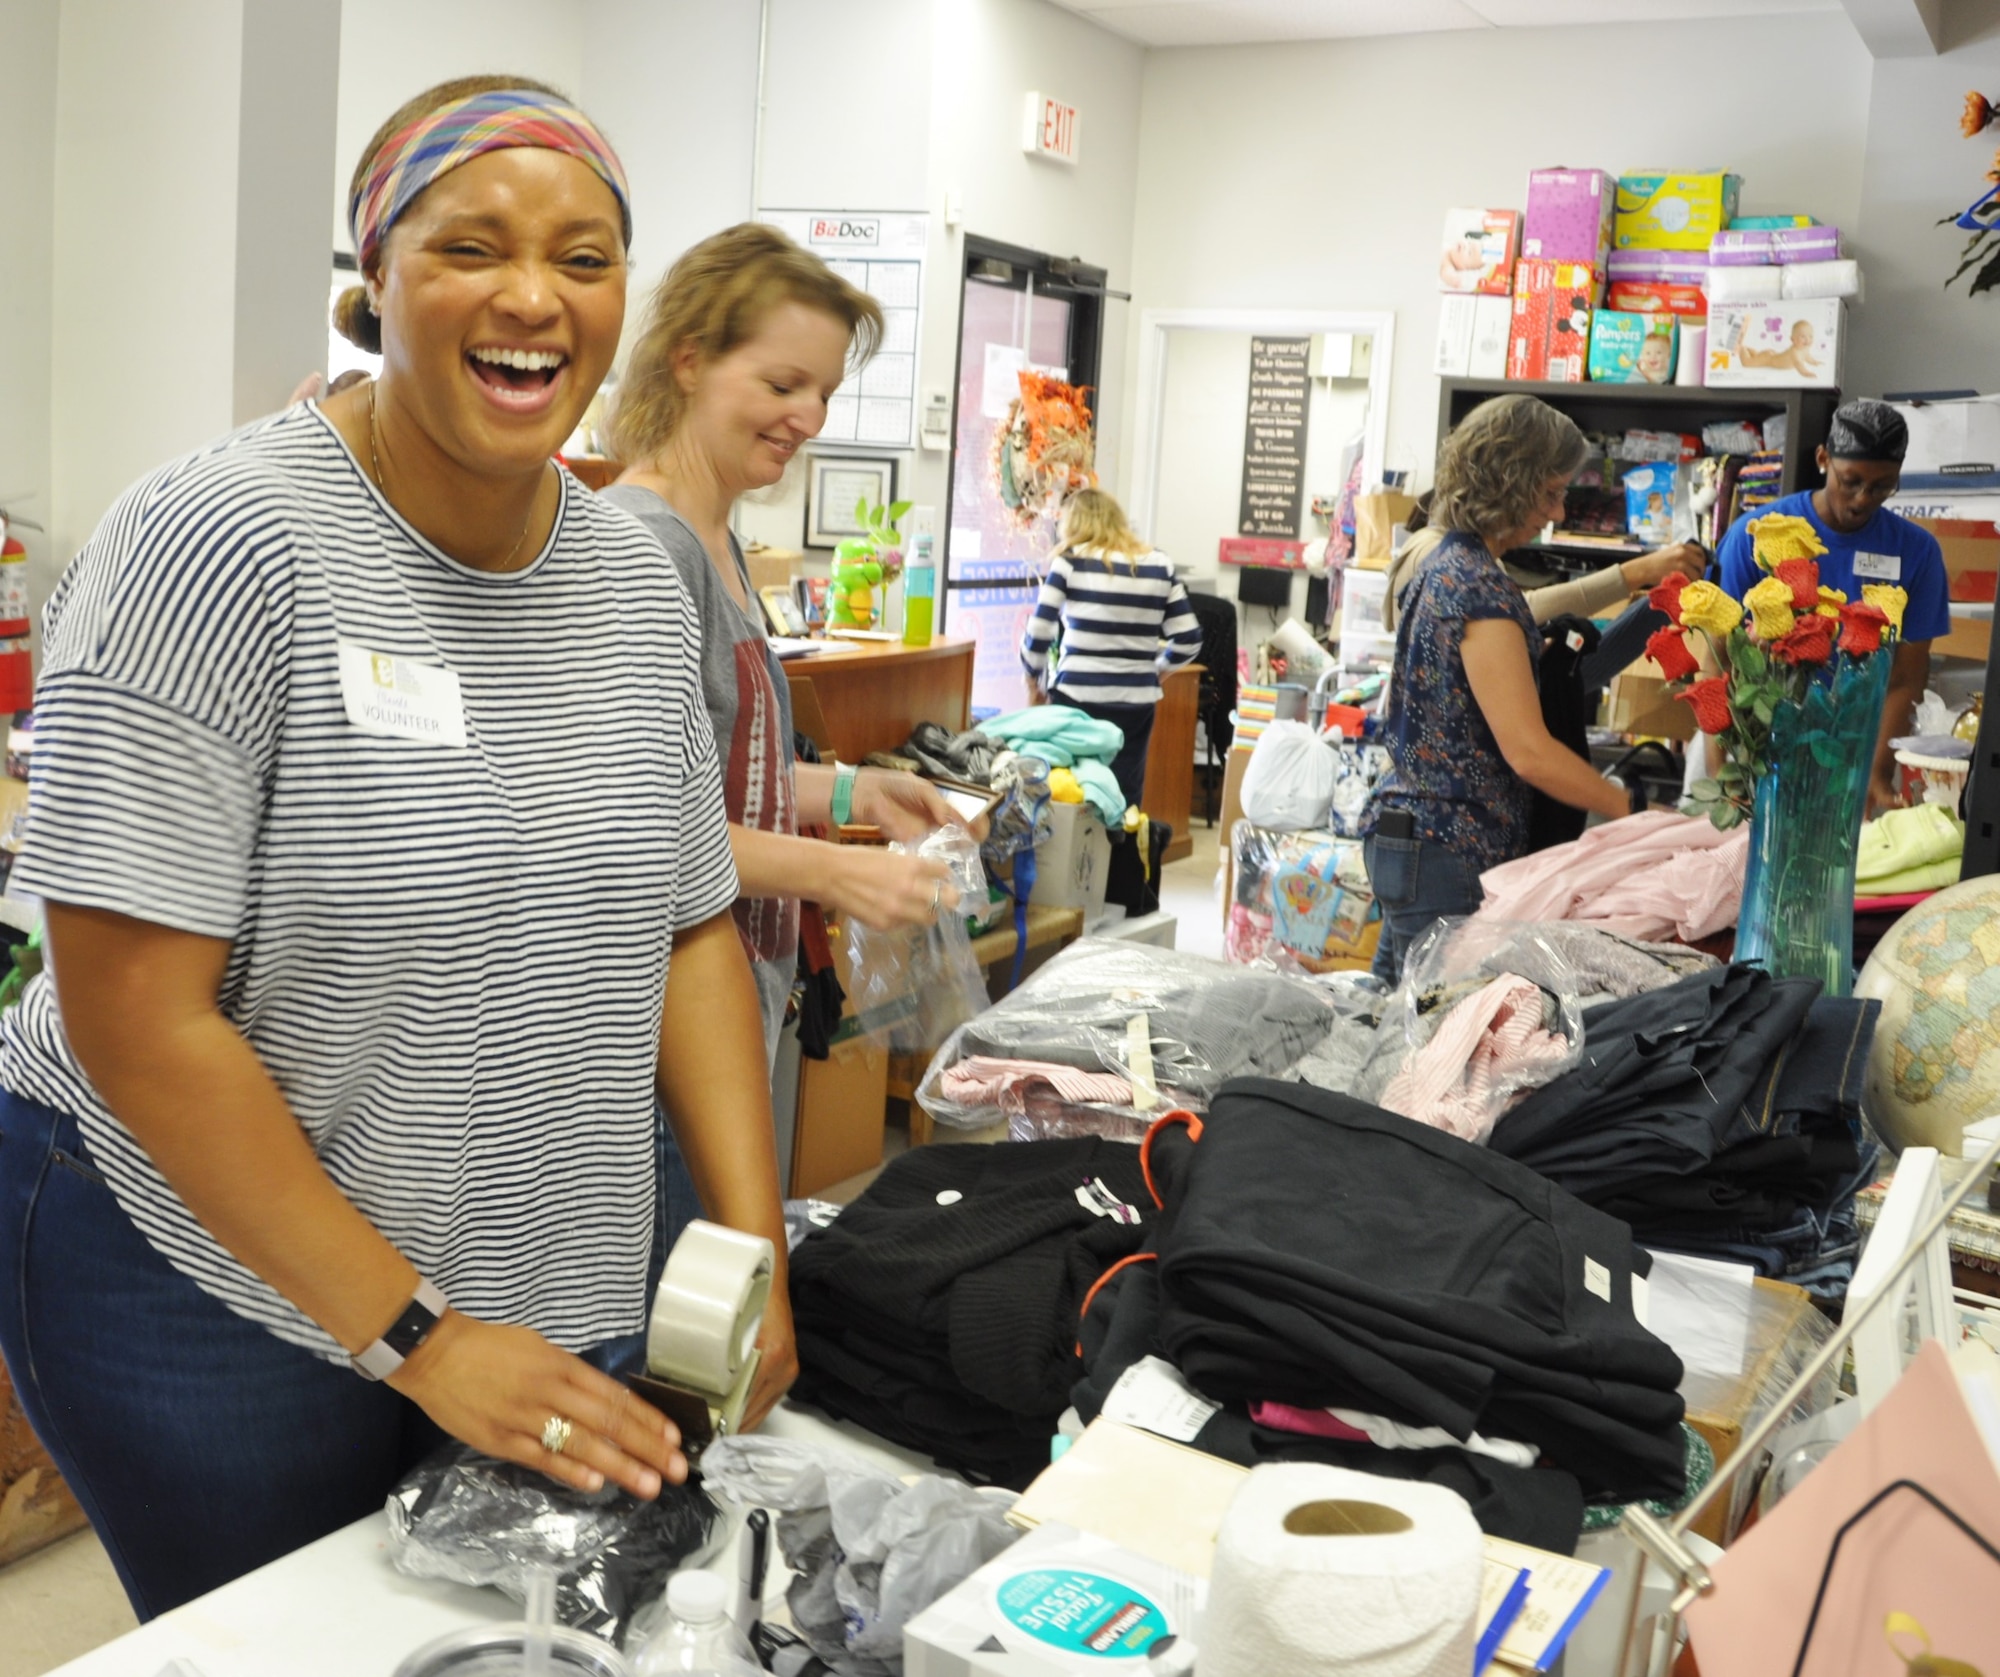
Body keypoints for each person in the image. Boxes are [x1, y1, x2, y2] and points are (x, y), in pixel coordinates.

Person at [0, 77, 792, 1619]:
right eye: (471, 247)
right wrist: (420, 1340)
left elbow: (690, 917)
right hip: (193, 1265)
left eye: (582, 258)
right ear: (376, 282)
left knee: (524, 1625)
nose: (530, 299)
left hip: (522, 1237)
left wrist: (750, 1238)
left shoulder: (633, 578)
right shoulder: (221, 542)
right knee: (292, 1640)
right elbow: (135, 1013)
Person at [601, 223, 970, 1072]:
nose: (809, 417)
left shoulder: (717, 535)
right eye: (782, 383)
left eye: (825, 392)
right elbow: (643, 830)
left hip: (733, 1007)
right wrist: (834, 875)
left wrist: (854, 793)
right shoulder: (644, 543)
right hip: (656, 1037)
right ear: (689, 360)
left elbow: (720, 777)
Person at [1362, 395, 1631, 987]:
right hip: (1447, 852)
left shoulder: (1441, 565)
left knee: (1388, 1021)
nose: (1556, 511)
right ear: (1512, 482)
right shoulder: (1481, 591)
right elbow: (1528, 751)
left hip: (1411, 838)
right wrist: (1630, 813)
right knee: (1439, 1038)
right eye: (1550, 492)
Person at [1716, 399, 1950, 815]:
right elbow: (1717, 662)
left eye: (1882, 486)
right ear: (1823, 459)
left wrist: (1874, 774)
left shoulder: (1917, 553)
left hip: (1852, 753)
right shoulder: (1756, 536)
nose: (1863, 498)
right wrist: (1724, 774)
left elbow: (1906, 677)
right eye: (1851, 481)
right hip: (1754, 746)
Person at [1019, 487, 1203, 809]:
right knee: (1124, 796)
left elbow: (1040, 630)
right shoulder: (1158, 563)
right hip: (1136, 702)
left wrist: (1033, 678)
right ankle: (1122, 857)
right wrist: (1156, 669)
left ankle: (1077, 859)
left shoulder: (1071, 561)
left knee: (1072, 794)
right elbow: (1189, 638)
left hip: (1077, 699)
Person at [1383, 495, 1707, 633]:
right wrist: (1638, 572)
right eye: (1549, 495)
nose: (1558, 514)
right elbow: (1519, 609)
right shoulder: (1439, 554)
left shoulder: (1471, 555)